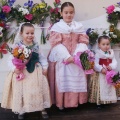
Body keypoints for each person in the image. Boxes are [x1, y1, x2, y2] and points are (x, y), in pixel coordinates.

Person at [1, 23, 51, 119]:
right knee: (24, 91)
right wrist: (14, 69)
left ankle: (42, 108)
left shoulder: (36, 46)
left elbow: (42, 58)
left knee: (37, 90)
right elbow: (10, 60)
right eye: (27, 33)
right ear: (21, 33)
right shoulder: (17, 47)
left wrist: (45, 67)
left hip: (35, 72)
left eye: (32, 33)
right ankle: (22, 109)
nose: (30, 35)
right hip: (22, 72)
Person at [48, 2, 89, 110]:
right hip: (62, 57)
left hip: (76, 57)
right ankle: (61, 103)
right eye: (66, 12)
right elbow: (56, 44)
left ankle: (76, 101)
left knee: (77, 76)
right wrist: (67, 56)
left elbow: (83, 42)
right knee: (62, 77)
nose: (69, 15)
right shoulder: (57, 27)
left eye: (71, 12)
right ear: (61, 13)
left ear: (74, 13)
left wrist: (76, 56)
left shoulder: (79, 27)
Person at [88, 35, 117, 109]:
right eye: (103, 44)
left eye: (107, 44)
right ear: (99, 45)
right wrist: (101, 69)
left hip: (109, 72)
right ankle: (99, 101)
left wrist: (111, 66)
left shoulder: (111, 53)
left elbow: (114, 62)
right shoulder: (98, 54)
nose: (106, 46)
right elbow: (95, 64)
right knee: (101, 87)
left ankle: (108, 100)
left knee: (109, 86)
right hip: (101, 74)